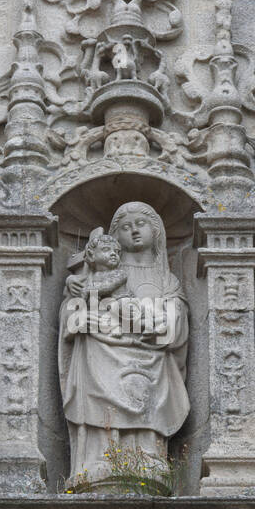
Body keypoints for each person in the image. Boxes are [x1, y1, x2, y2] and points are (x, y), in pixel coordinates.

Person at [59, 202, 189, 481]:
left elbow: (176, 323)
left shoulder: (167, 280)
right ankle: (97, 459)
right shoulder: (89, 274)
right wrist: (82, 312)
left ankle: (147, 458)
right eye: (126, 227)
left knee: (143, 394)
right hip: (100, 350)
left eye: (141, 224)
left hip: (150, 354)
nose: (134, 231)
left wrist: (147, 323)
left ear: (157, 232)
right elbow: (72, 313)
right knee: (101, 401)